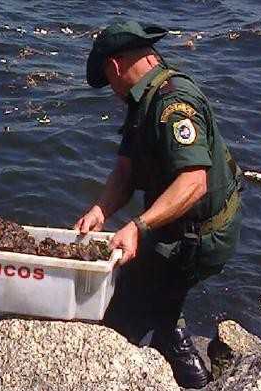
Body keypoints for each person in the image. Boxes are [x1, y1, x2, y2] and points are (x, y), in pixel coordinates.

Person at [75, 20, 242, 388]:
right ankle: (178, 346)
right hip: (178, 226)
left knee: (121, 322)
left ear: (115, 66)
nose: (112, 91)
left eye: (108, 80)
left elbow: (194, 182)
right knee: (162, 317)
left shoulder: (172, 102)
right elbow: (125, 170)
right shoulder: (143, 98)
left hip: (200, 235)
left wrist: (138, 226)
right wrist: (101, 210)